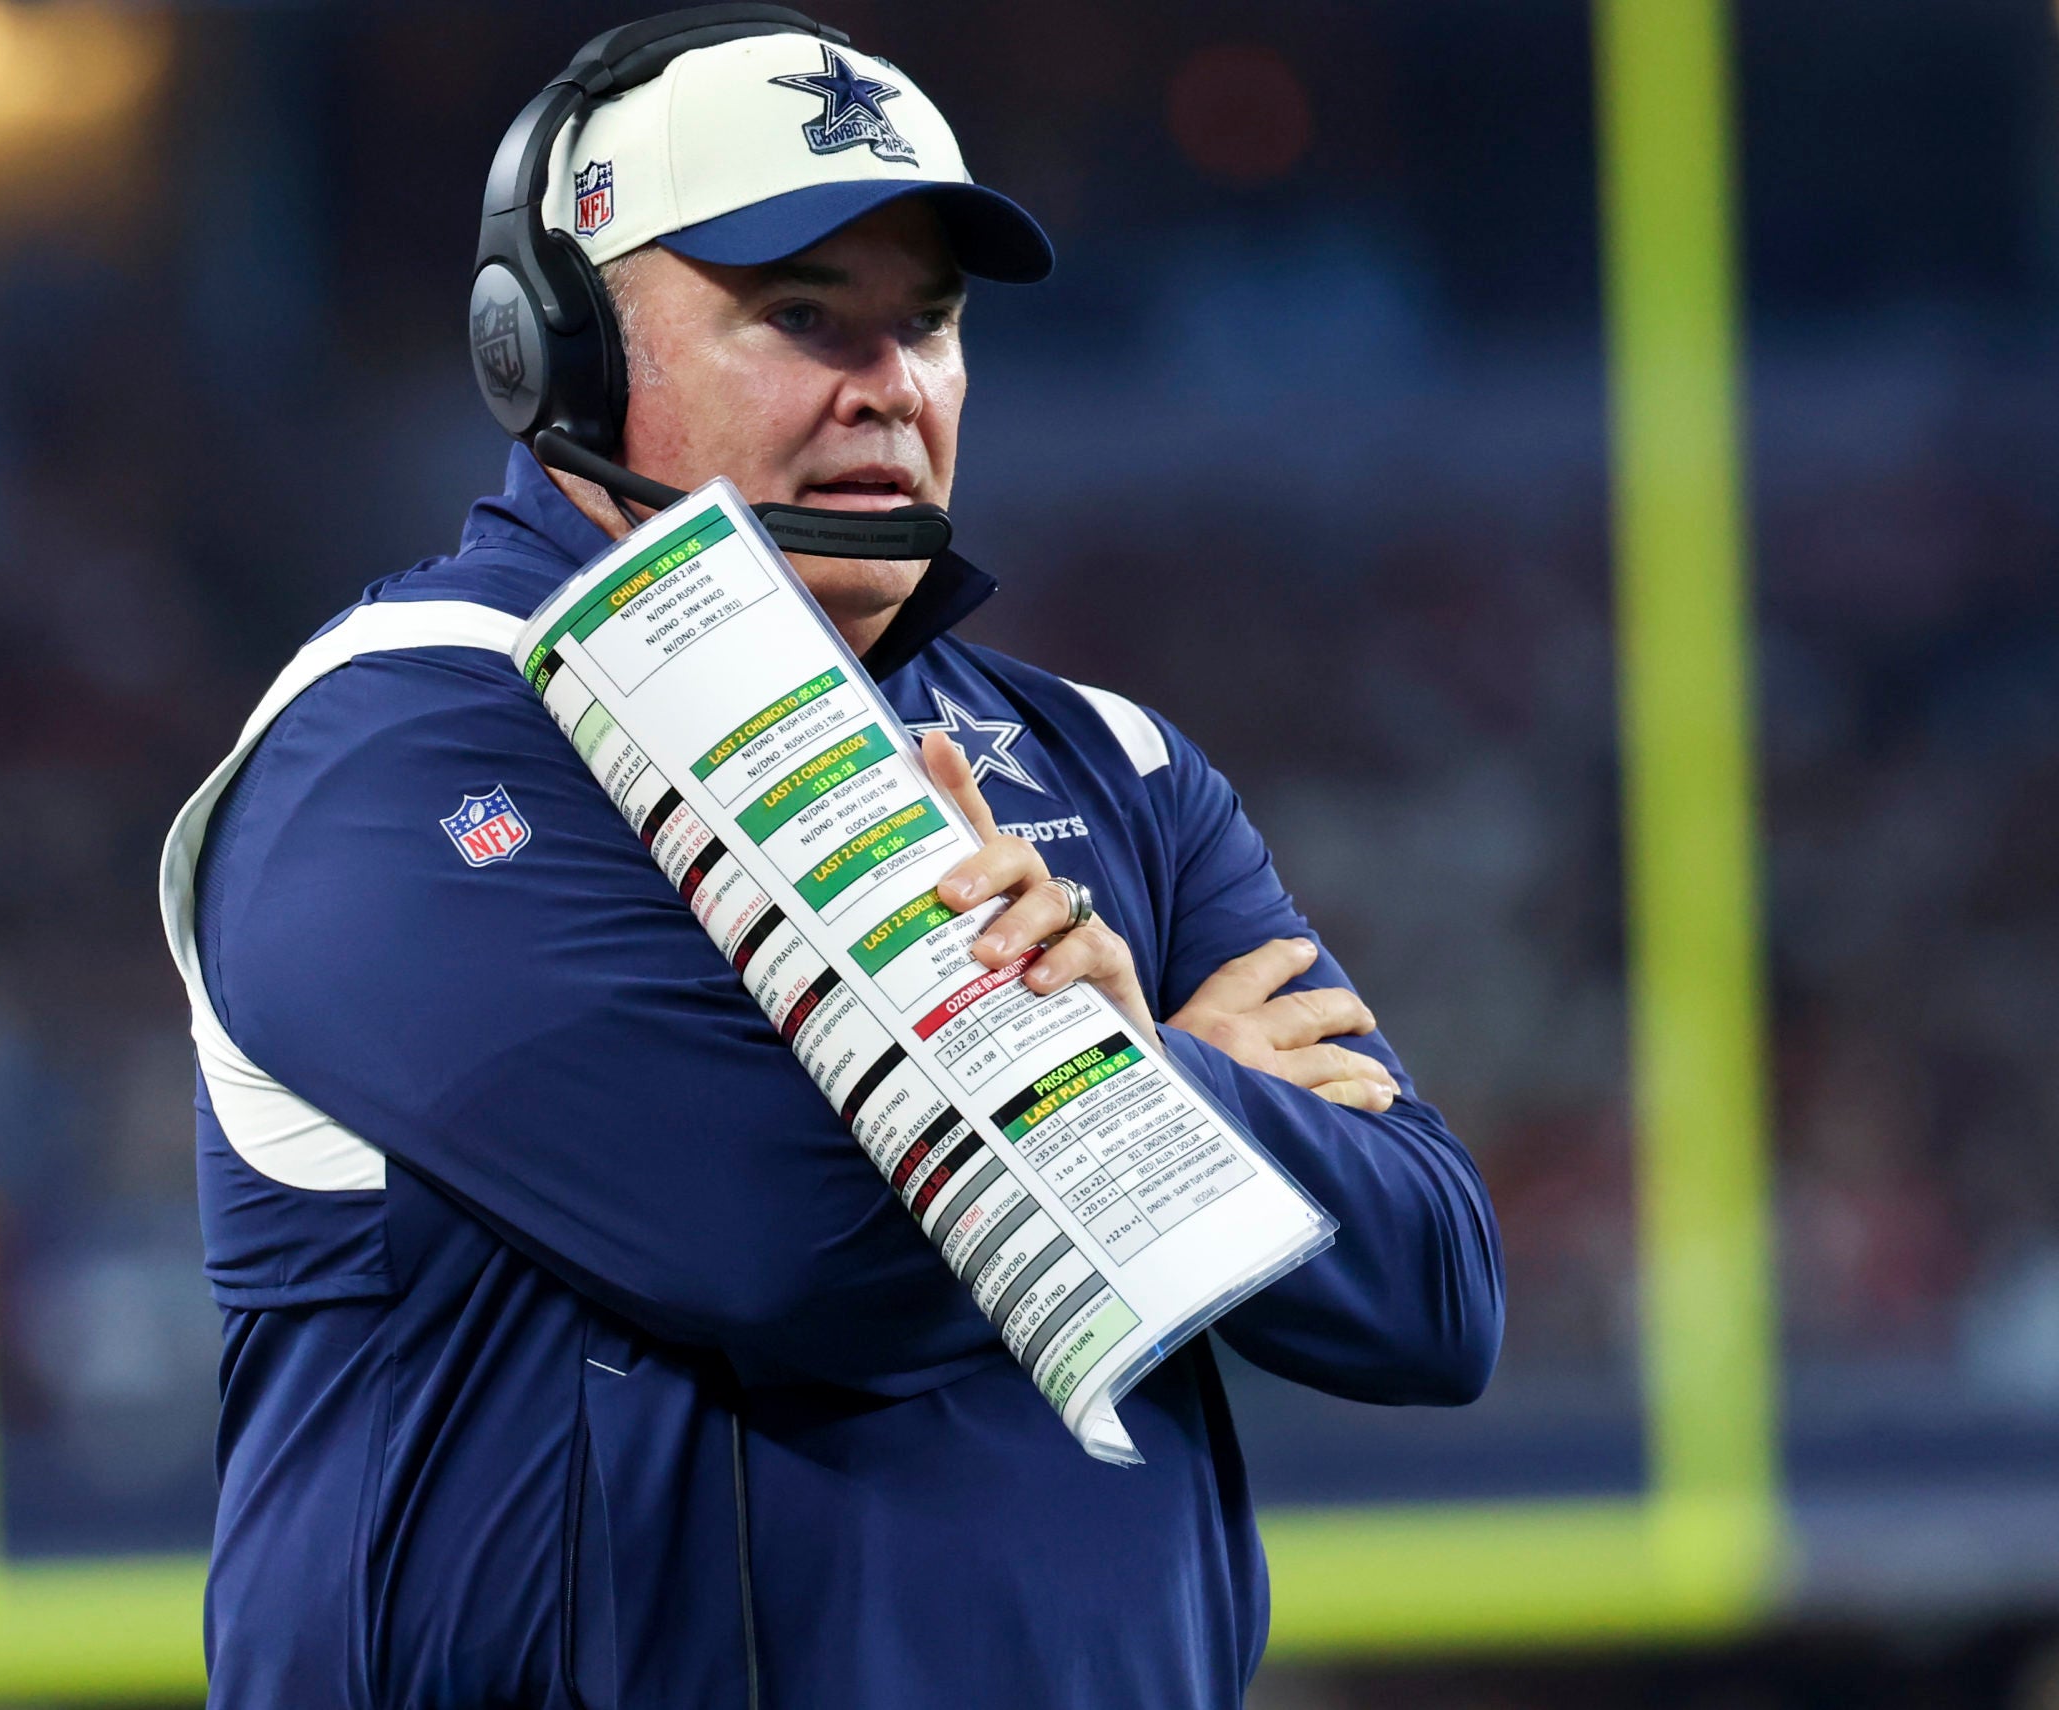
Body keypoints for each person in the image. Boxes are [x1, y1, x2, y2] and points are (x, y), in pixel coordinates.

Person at [158, 11, 1502, 1707]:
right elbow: (791, 1243)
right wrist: (1138, 1069)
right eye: (801, 315)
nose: (892, 388)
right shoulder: (400, 742)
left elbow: (1434, 1288)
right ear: (553, 348)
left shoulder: (1110, 762)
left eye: (926, 322)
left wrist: (1134, 1065)